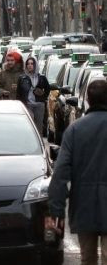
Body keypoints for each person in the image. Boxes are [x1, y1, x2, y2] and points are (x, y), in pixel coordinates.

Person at [48, 79, 107, 265]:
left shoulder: (75, 130)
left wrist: (56, 212)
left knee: (87, 257)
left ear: (88, 99)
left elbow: (60, 175)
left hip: (84, 206)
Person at [17, 57, 50, 135]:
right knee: (29, 126)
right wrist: (21, 105)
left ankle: (40, 144)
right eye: (28, 64)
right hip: (27, 105)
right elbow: (18, 93)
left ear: (35, 65)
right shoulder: (22, 78)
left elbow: (48, 89)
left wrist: (43, 98)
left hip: (39, 105)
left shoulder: (42, 78)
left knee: (39, 127)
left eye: (32, 63)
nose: (30, 65)